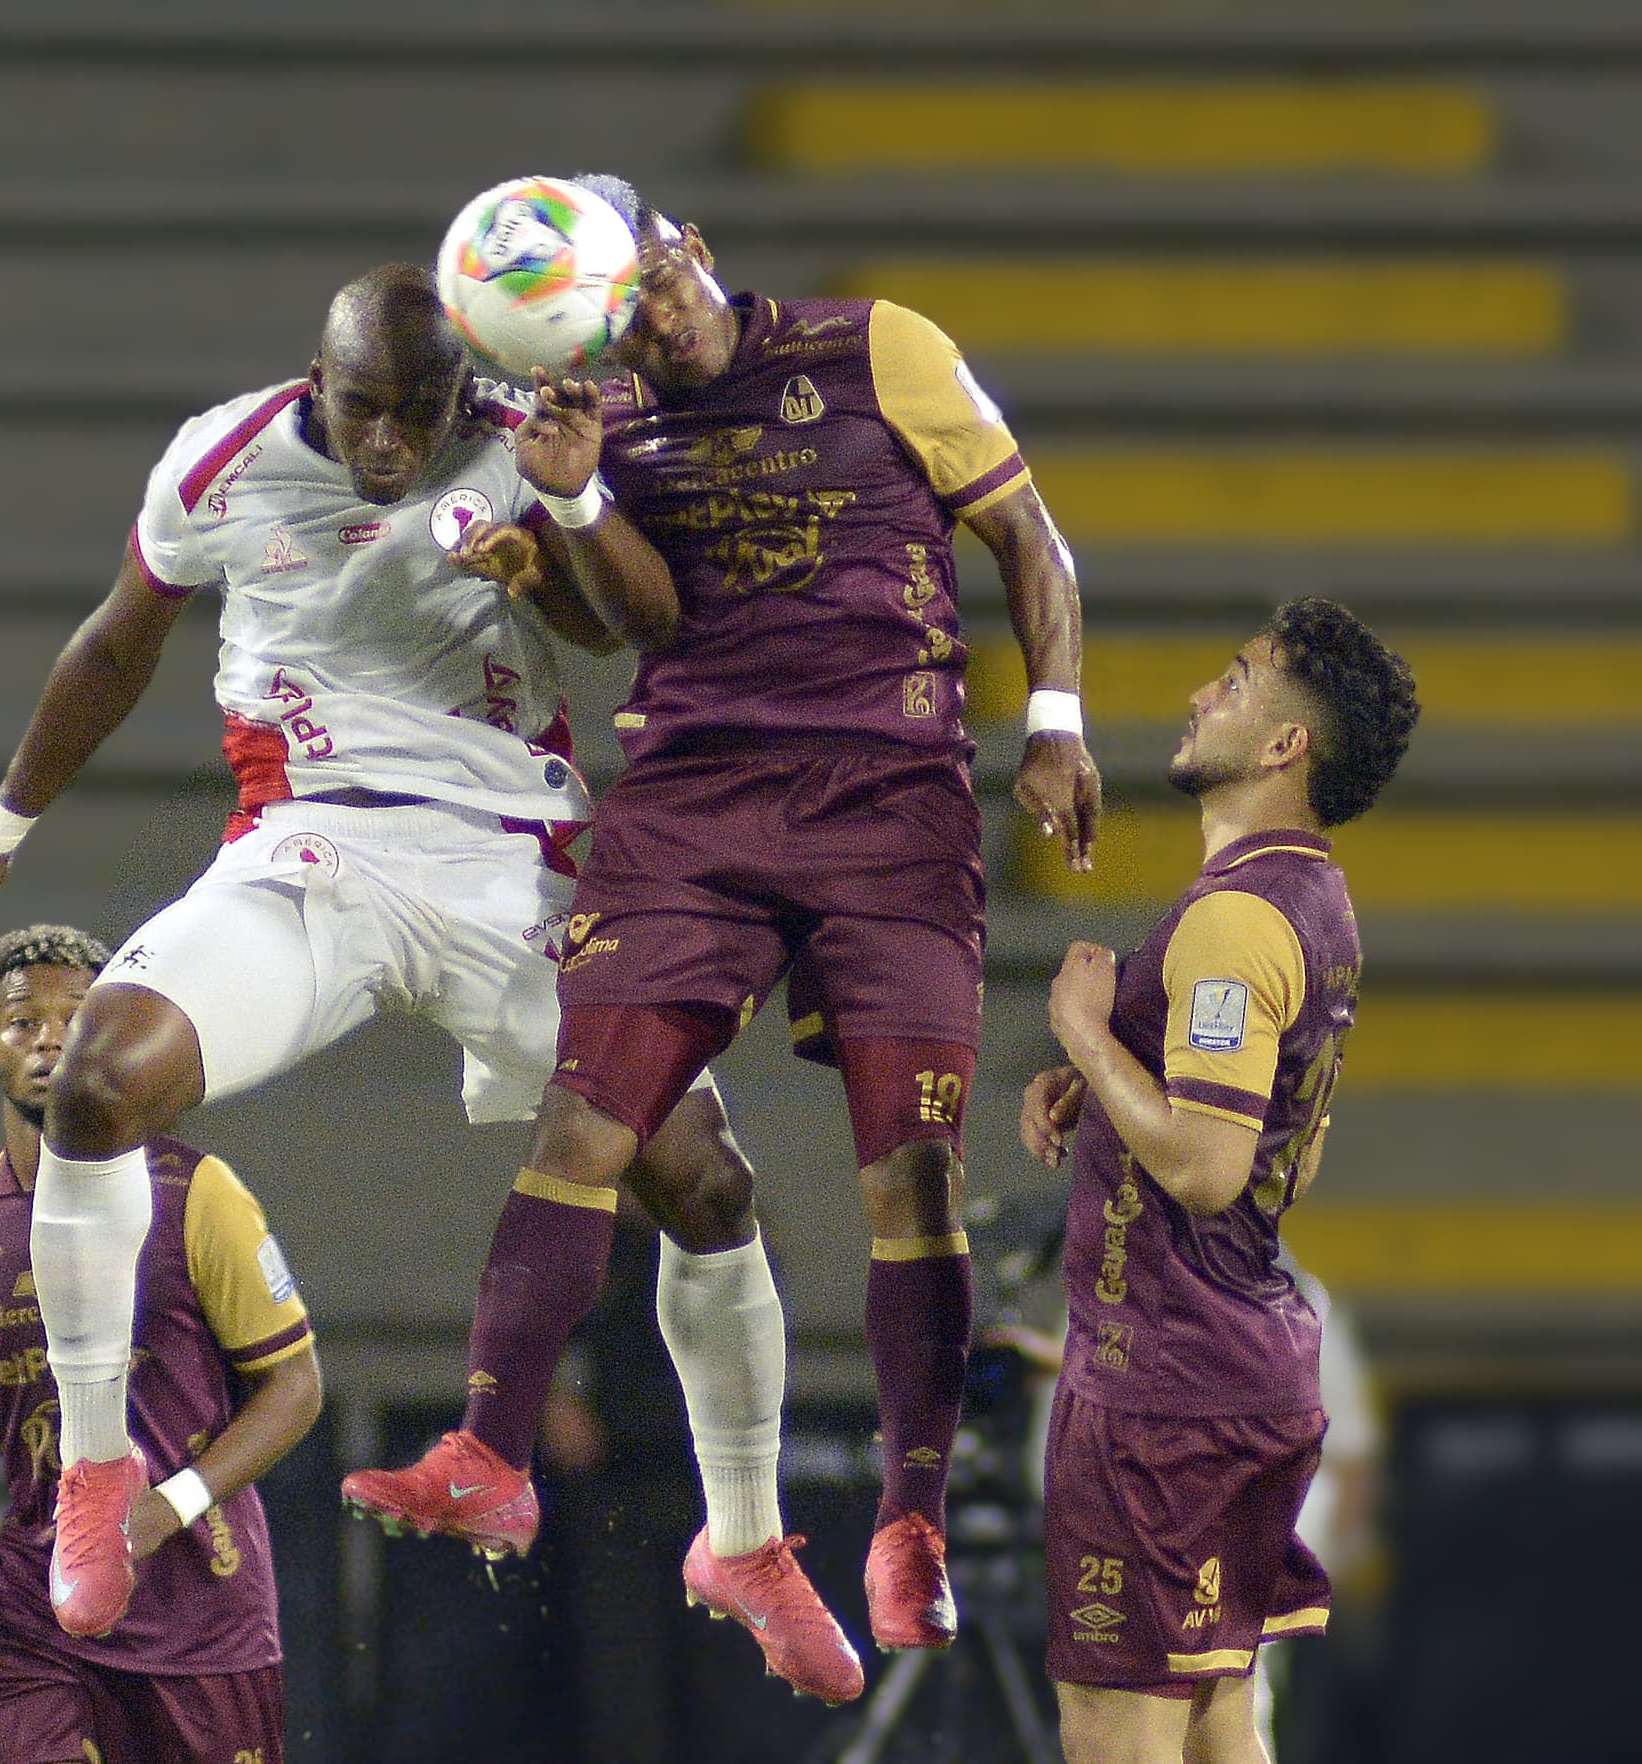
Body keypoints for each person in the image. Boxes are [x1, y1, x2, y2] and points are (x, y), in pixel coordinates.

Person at [0, 264, 759, 1647]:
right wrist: (3, 827)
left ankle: (748, 1539)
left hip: (510, 861)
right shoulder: (221, 459)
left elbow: (623, 628)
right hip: (311, 847)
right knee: (96, 1083)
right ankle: (98, 1474)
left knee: (704, 1185)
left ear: (464, 390)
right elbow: (117, 641)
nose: (391, 445)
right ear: (315, 379)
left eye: (419, 413)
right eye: (363, 411)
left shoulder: (525, 441)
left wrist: (552, 531)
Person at [343, 172, 1104, 1679]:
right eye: (617, 319)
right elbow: (639, 622)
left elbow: (1032, 543)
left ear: (683, 247)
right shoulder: (595, 426)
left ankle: (910, 1522)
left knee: (915, 1176)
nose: (654, 319)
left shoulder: (877, 347)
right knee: (583, 1125)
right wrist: (564, 504)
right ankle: (488, 1452)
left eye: (658, 279)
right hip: (694, 796)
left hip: (889, 794)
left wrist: (1057, 720)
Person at [1015, 600, 1417, 1764]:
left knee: (1120, 1738)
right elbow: (1293, 1138)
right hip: (1241, 1378)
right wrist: (1119, 1080)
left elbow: (1204, 1165)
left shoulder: (1237, 920)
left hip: (1161, 1392)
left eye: (1236, 683)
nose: (1202, 695)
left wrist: (1087, 1031)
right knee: (1217, 1726)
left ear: (1288, 746)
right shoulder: (1315, 903)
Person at [0, 925, 322, 1764]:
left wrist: (172, 1504)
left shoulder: (196, 1193)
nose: (51, 1035)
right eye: (24, 1021)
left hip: (202, 1619)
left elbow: (297, 1387)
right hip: (37, 1623)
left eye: (78, 1015)